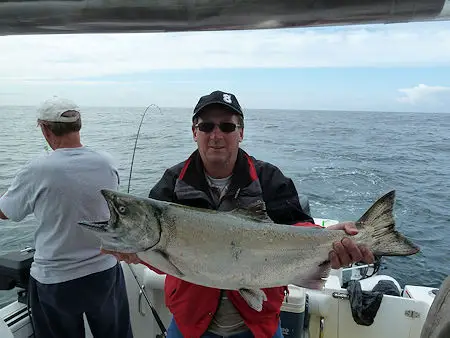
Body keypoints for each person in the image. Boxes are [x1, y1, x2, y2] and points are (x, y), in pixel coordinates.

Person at [106, 90, 374, 338]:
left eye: (227, 126)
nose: (216, 134)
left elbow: (298, 227)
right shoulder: (173, 182)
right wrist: (137, 253)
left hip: (258, 323)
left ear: (241, 132)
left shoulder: (269, 178)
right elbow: (164, 254)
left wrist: (329, 241)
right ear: (194, 132)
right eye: (206, 126)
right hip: (191, 323)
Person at [0, 97, 133, 338]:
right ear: (78, 125)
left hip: (55, 281)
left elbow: (7, 212)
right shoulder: (107, 163)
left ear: (45, 128)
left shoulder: (36, 169)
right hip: (104, 273)